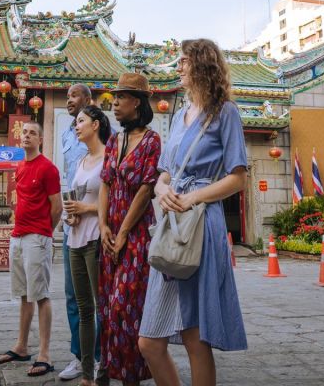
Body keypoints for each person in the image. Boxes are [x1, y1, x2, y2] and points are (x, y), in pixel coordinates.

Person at [138, 38, 248, 386]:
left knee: (194, 337)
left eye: (184, 60)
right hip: (171, 222)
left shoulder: (225, 112)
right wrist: (161, 189)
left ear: (202, 65)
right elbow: (166, 170)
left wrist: (193, 197)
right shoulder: (180, 114)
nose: (179, 67)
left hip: (202, 223)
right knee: (149, 343)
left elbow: (237, 178)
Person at [97, 73, 161, 386]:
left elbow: (146, 190)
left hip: (136, 234)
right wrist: (103, 226)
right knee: (109, 308)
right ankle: (114, 372)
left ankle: (132, 377)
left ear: (136, 102)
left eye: (121, 98)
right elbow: (105, 185)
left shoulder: (152, 141)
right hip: (110, 234)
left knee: (127, 305)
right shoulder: (113, 140)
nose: (115, 103)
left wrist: (122, 232)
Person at [0, 121, 62, 377]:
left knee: (42, 295)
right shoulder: (20, 166)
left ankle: (44, 353)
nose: (27, 136)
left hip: (38, 237)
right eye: (24, 132)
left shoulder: (48, 168)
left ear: (41, 140)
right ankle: (21, 346)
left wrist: (46, 232)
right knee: (24, 294)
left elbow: (56, 207)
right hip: (18, 236)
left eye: (32, 133)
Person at [64, 105, 111, 386]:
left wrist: (87, 208)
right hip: (75, 238)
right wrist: (72, 214)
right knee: (84, 309)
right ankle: (86, 374)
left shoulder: (109, 158)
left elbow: (113, 203)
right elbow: (78, 198)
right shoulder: (81, 161)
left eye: (81, 121)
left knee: (101, 308)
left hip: (96, 239)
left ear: (95, 125)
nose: (76, 126)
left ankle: (105, 369)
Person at [59, 83, 92, 381]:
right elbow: (68, 178)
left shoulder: (100, 130)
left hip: (93, 222)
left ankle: (98, 355)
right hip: (71, 223)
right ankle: (79, 355)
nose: (68, 101)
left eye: (73, 96)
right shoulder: (66, 134)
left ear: (87, 100)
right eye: (67, 97)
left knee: (95, 296)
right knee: (72, 295)